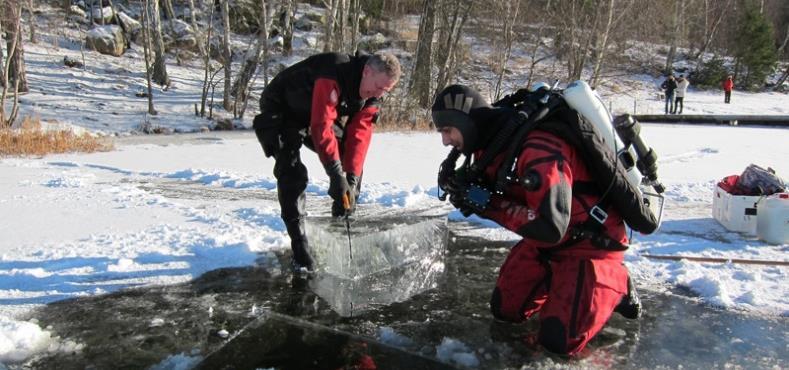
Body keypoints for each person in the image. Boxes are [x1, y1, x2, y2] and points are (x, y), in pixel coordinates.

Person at [432, 84, 641, 356]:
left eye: (448, 130)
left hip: (591, 246)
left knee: (558, 341)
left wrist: (487, 203)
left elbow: (550, 226)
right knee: (505, 310)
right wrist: (465, 189)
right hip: (546, 245)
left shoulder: (539, 149)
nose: (445, 141)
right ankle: (561, 282)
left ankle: (618, 282)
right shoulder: (493, 145)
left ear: (467, 122)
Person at [253, 51, 401, 273]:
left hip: (315, 113)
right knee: (292, 172)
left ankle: (342, 222)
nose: (379, 94)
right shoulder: (333, 70)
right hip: (282, 108)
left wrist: (349, 180)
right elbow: (321, 125)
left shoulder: (372, 95)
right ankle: (299, 245)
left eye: (385, 91)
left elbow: (359, 137)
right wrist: (334, 174)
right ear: (367, 71)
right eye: (378, 87)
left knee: (352, 169)